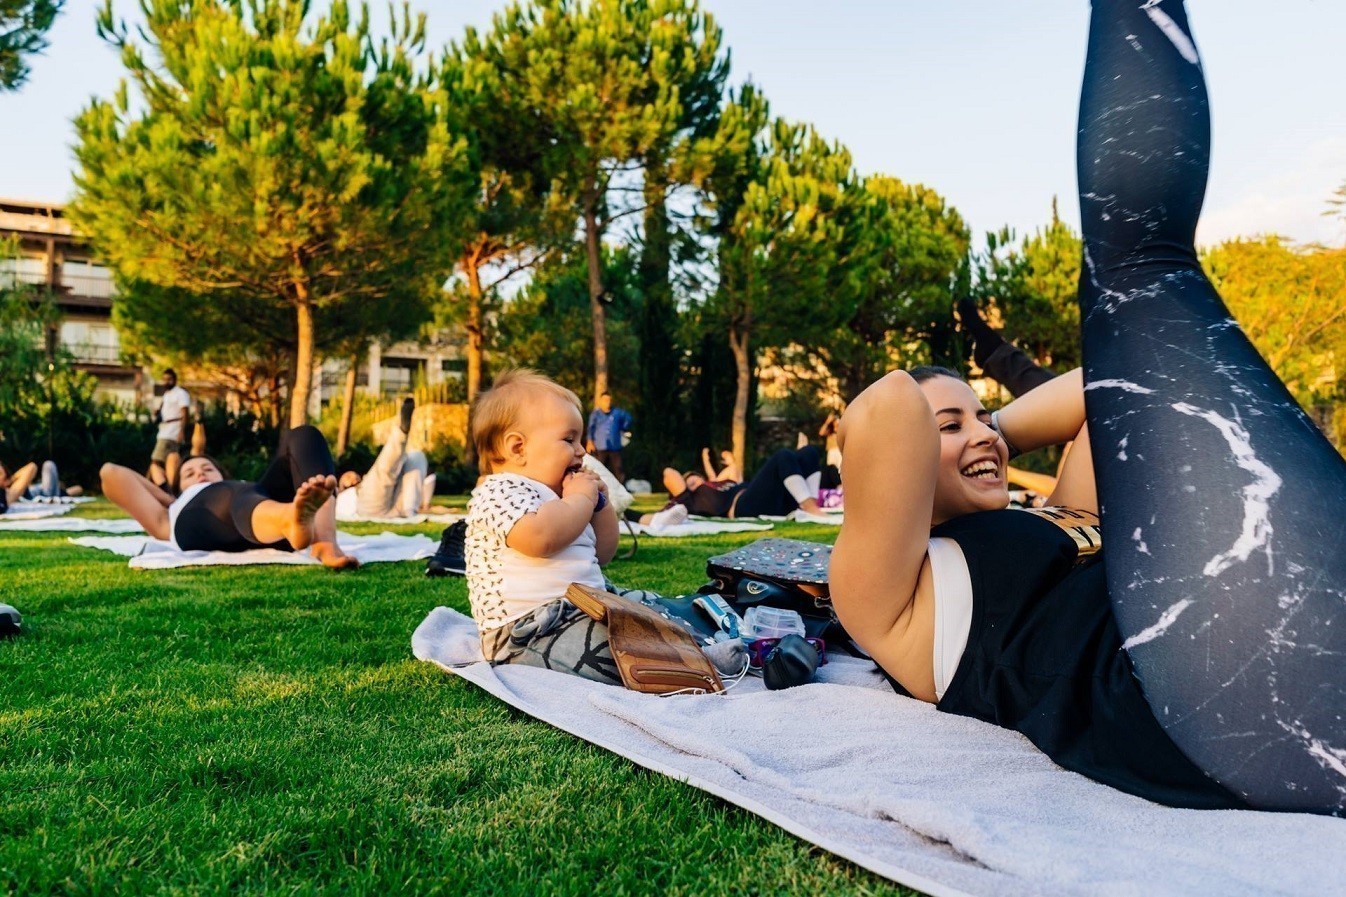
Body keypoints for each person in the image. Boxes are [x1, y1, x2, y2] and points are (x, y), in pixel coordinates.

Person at [830, 0, 1345, 815]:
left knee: (1131, 320)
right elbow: (889, 404)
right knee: (1137, 263)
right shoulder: (892, 595)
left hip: (1250, 661)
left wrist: (986, 433)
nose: (979, 433)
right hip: (1198, 705)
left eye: (978, 414)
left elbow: (1097, 395)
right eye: (950, 423)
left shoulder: (1067, 513)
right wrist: (962, 438)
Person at [465, 369, 740, 683]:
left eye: (580, 439)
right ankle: (690, 663)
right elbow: (540, 538)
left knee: (648, 607)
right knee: (602, 651)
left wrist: (601, 506)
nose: (582, 451)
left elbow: (603, 552)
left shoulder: (562, 495)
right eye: (569, 439)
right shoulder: (499, 491)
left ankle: (699, 639)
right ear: (517, 448)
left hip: (589, 602)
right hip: (526, 632)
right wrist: (581, 498)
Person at [101, 425, 357, 570]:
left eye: (207, 469)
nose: (200, 474)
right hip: (210, 517)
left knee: (304, 434)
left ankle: (324, 541)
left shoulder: (241, 486)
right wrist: (169, 498)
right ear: (180, 488)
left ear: (222, 473)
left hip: (259, 503)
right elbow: (110, 473)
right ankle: (289, 520)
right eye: (189, 474)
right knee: (230, 497)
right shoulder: (169, 515)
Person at [650, 445, 825, 521]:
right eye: (690, 483)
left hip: (764, 499)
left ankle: (811, 505)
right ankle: (811, 508)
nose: (695, 483)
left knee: (809, 452)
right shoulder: (689, 499)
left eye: (695, 479)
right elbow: (669, 473)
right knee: (782, 456)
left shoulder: (718, 483)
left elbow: (732, 472)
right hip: (743, 507)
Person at [335, 397, 439, 520]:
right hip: (369, 507)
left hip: (400, 509)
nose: (352, 477)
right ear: (340, 486)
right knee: (385, 472)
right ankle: (401, 433)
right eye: (347, 477)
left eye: (353, 475)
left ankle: (410, 511)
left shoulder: (366, 481)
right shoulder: (342, 496)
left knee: (417, 456)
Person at [149, 369, 192, 486]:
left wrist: (181, 432)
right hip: (164, 429)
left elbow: (185, 414)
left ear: (174, 380)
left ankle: (154, 486)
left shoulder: (180, 393)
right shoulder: (167, 394)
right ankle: (163, 486)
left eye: (169, 379)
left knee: (156, 461)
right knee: (168, 463)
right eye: (164, 380)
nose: (166, 382)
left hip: (172, 432)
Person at [585, 392, 632, 482]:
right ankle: (597, 487)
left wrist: (623, 427)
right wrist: (590, 442)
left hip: (614, 446)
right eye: (605, 400)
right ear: (600, 401)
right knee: (599, 468)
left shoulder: (617, 412)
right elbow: (591, 428)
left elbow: (628, 418)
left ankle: (621, 488)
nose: (608, 402)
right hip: (600, 446)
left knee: (618, 468)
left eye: (609, 400)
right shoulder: (595, 414)